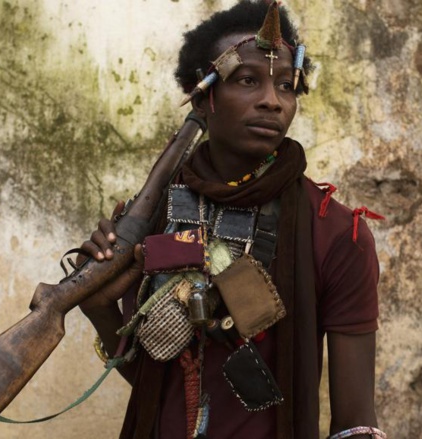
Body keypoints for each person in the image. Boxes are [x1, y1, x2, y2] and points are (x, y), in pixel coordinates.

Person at [77, 2, 384, 438]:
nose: (272, 101)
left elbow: (355, 422)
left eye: (286, 85)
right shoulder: (148, 218)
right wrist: (97, 304)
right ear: (203, 96)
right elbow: (152, 381)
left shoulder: (336, 233)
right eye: (247, 80)